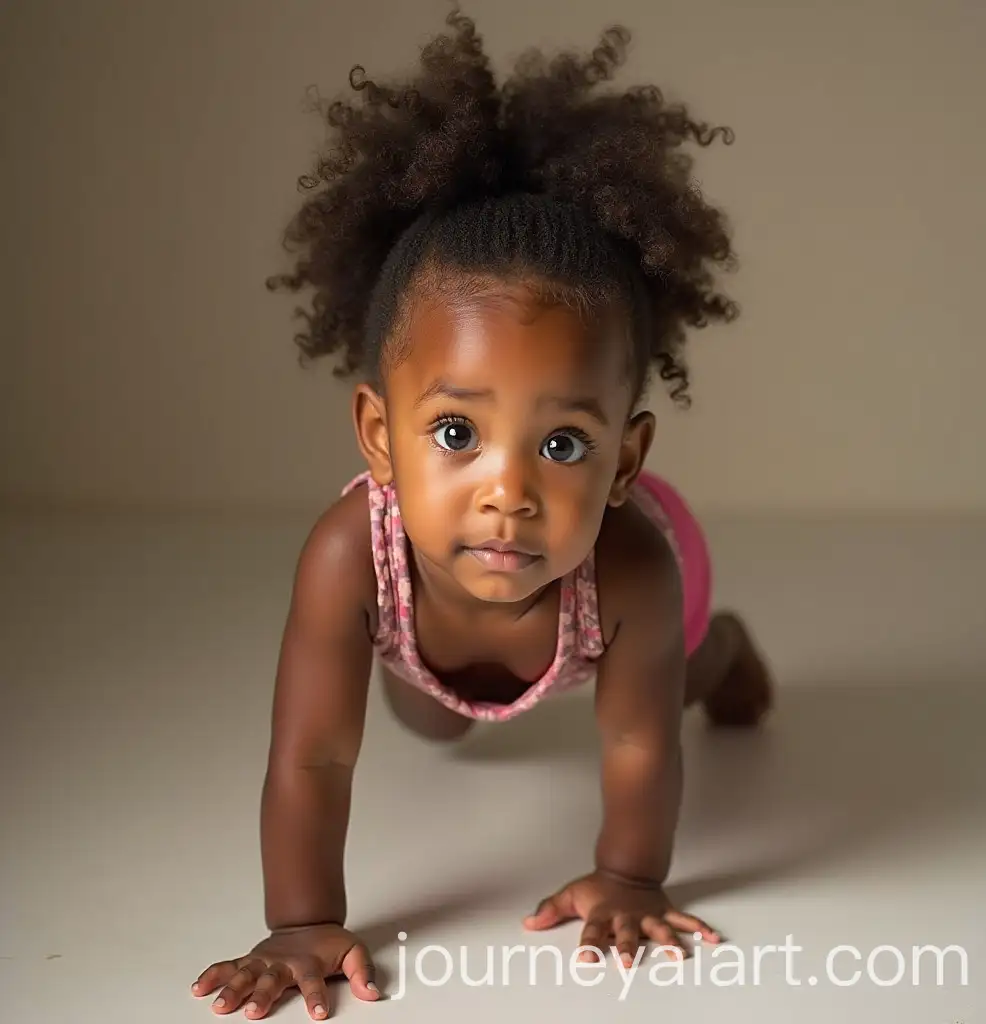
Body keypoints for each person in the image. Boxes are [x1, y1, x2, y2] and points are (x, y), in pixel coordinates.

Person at [191, 10, 773, 1019]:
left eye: (561, 445)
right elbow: (313, 752)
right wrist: (298, 922)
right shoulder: (349, 554)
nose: (508, 491)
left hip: (630, 628)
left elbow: (636, 749)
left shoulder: (632, 561)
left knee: (675, 679)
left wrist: (629, 876)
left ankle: (725, 655)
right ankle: (444, 687)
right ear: (378, 434)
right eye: (456, 433)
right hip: (436, 647)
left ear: (624, 457)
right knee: (428, 713)